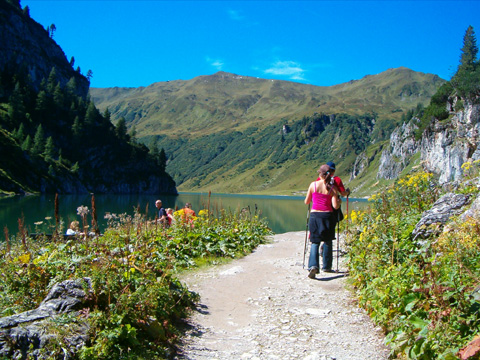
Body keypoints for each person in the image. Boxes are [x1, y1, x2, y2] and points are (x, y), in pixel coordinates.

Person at [304, 164, 341, 278]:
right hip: (327, 216)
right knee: (328, 241)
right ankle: (327, 266)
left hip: (315, 215)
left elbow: (307, 202)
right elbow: (335, 206)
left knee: (315, 241)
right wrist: (339, 201)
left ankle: (313, 266)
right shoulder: (332, 189)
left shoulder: (313, 185)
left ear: (320, 174)